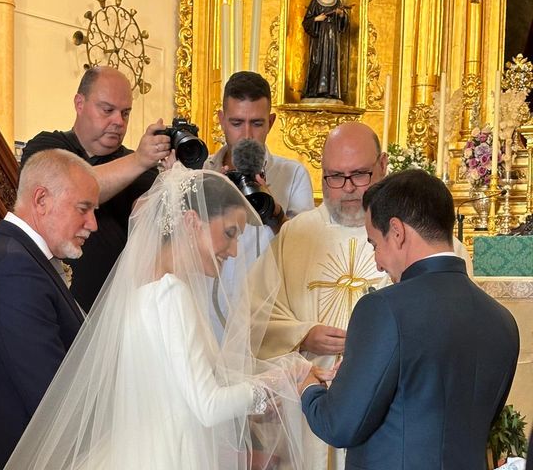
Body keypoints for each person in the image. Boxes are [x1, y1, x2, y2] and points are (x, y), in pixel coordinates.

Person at [5, 164, 315, 470]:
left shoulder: (143, 289)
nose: (234, 251)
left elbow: (183, 385)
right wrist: (279, 381)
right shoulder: (170, 294)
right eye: (229, 233)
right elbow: (207, 405)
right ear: (192, 222)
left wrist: (279, 377)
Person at [257, 121, 473, 470]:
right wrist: (303, 334)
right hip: (313, 409)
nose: (347, 189)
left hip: (395, 415)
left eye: (359, 174)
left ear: (383, 165)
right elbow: (254, 317)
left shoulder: (425, 240)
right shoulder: (295, 236)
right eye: (334, 176)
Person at [299, 169, 520, 469]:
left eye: (375, 244)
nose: (377, 263)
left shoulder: (383, 309)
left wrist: (308, 386)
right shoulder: (503, 321)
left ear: (398, 231)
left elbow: (338, 424)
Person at [0, 149, 99, 470]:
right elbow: (50, 395)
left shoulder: (21, 258)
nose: (92, 224)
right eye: (84, 208)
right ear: (41, 200)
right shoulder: (14, 267)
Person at [21, 66, 173, 311]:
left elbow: (154, 233)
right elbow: (69, 191)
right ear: (80, 103)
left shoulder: (141, 171)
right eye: (107, 110)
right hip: (46, 301)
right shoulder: (47, 147)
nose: (118, 121)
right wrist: (139, 160)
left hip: (112, 315)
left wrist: (173, 180)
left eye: (125, 113)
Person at [206, 70, 314, 338]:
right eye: (236, 122)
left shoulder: (293, 174)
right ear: (220, 120)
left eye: (256, 123)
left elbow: (303, 253)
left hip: (268, 316)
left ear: (271, 122)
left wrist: (273, 209)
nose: (246, 135)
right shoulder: (202, 170)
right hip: (207, 307)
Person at [302, 0, 348, 100]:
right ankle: (314, 91)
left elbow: (344, 23)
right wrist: (317, 19)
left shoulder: (337, 1)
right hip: (319, 38)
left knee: (331, 61)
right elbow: (306, 22)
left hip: (332, 38)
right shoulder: (316, 2)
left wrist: (341, 15)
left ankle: (330, 91)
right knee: (317, 61)